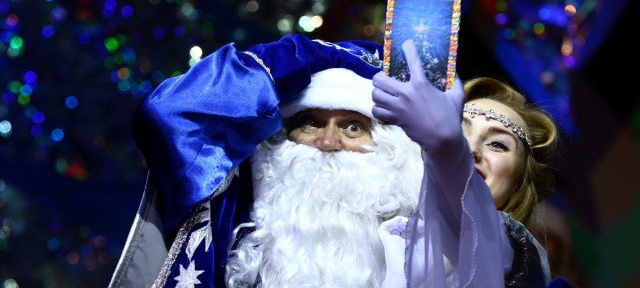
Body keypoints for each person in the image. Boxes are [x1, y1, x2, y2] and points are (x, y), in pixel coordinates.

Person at [108, 33, 425, 288]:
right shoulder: (233, 206)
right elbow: (167, 116)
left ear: (389, 150)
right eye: (310, 122)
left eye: (353, 127)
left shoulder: (422, 238)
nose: (328, 142)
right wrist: (305, 54)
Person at [371, 39, 574, 287]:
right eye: (460, 132)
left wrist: (448, 147)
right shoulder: (370, 225)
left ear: (518, 187)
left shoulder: (510, 257)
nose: (471, 150)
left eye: (498, 144)